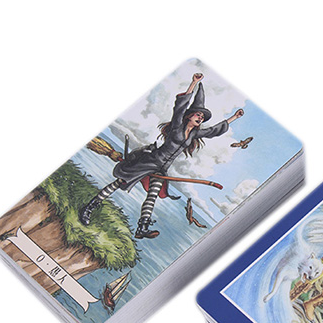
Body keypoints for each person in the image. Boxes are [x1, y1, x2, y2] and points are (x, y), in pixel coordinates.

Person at [79, 72, 244, 239]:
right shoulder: (177, 125)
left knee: (153, 195)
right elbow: (179, 107)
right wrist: (193, 83)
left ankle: (142, 227)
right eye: (198, 115)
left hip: (162, 169)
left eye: (202, 117)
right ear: (189, 115)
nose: (200, 118)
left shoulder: (194, 134)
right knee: (120, 182)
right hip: (150, 161)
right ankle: (89, 207)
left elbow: (213, 131)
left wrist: (234, 118)